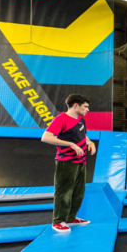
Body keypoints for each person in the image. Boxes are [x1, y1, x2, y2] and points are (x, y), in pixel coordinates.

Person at [41, 94, 96, 233]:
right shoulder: (61, 119)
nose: (87, 110)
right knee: (64, 192)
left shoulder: (81, 120)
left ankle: (70, 217)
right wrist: (70, 144)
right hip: (66, 162)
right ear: (76, 105)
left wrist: (90, 143)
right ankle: (58, 221)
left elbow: (83, 134)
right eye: (85, 107)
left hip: (81, 162)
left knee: (79, 192)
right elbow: (46, 137)